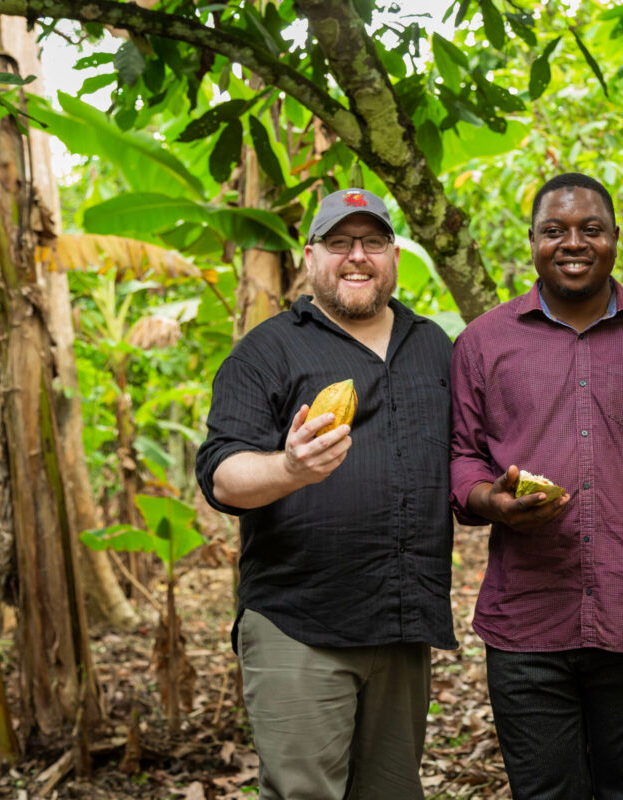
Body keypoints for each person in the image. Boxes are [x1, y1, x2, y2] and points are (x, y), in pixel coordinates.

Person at [195, 188, 456, 800]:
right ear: (310, 257)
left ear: (394, 256)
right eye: (339, 243)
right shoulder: (267, 350)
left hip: (401, 622)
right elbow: (222, 474)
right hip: (301, 622)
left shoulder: (433, 347)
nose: (356, 256)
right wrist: (290, 468)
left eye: (372, 243)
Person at [449, 173, 623, 800]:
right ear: (531, 242)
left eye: (591, 229)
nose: (573, 242)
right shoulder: (484, 341)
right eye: (554, 230)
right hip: (528, 618)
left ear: (617, 240)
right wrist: (491, 502)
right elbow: (463, 457)